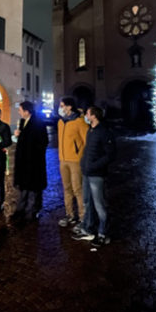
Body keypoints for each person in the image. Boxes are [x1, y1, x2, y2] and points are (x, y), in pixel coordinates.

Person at [72, 106, 115, 247]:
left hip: (96, 174)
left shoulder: (104, 132)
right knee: (87, 202)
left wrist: (94, 166)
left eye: (87, 114)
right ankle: (88, 229)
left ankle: (103, 233)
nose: (85, 116)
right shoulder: (91, 131)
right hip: (87, 173)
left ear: (94, 116)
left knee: (99, 205)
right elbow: (88, 150)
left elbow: (110, 155)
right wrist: (84, 163)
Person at [11, 101, 49, 221]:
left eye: (20, 110)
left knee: (34, 188)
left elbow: (43, 142)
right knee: (24, 187)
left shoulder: (39, 124)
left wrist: (25, 139)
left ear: (27, 112)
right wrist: (18, 136)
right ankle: (20, 210)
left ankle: (34, 210)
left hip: (33, 162)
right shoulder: (22, 122)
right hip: (23, 161)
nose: (19, 112)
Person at [56, 96, 88, 228]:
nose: (60, 108)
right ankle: (70, 215)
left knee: (78, 189)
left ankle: (83, 218)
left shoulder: (79, 122)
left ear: (69, 107)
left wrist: (82, 157)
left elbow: (86, 142)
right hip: (63, 160)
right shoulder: (60, 122)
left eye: (62, 105)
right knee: (67, 189)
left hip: (75, 161)